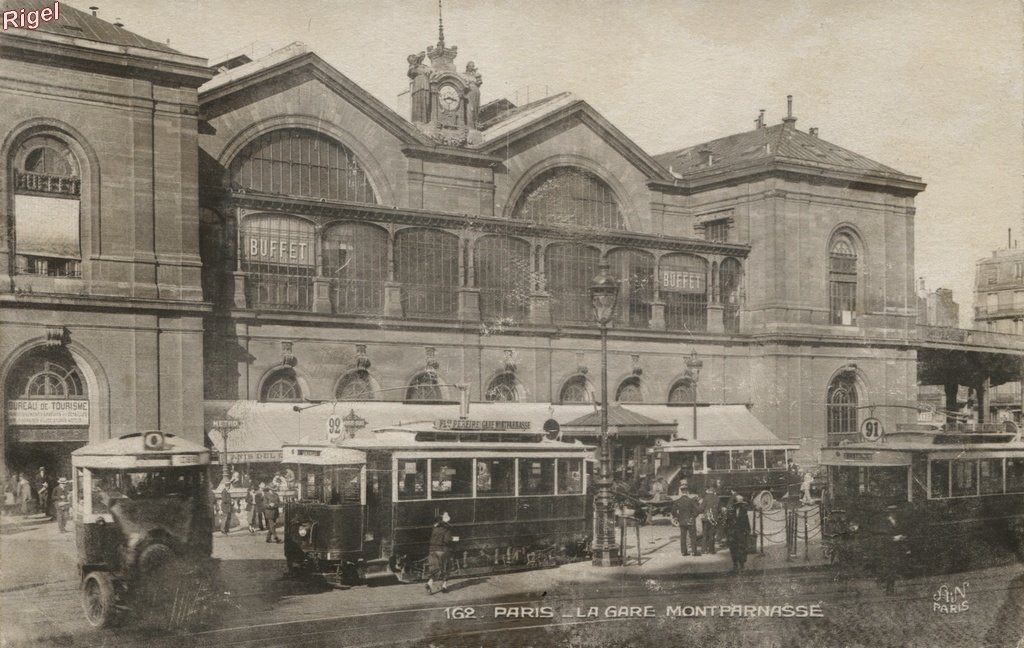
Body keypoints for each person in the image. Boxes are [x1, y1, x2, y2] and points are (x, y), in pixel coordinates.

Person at [426, 511, 455, 594]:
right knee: (446, 567)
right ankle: (444, 586)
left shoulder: (434, 529)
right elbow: (447, 540)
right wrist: (452, 539)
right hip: (443, 551)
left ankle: (430, 583)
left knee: (434, 568)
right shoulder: (447, 530)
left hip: (432, 550)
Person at [673, 480, 700, 557]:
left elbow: (673, 512)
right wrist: (693, 516)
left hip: (682, 521)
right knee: (693, 536)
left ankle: (684, 552)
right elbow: (697, 510)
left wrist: (678, 517)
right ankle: (694, 552)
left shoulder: (677, 501)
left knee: (683, 536)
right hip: (690, 520)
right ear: (687, 491)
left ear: (681, 491)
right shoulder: (691, 501)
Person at [727, 494, 752, 572]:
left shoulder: (743, 511)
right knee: (733, 548)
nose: (740, 505)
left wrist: (748, 530)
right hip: (733, 532)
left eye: (741, 504)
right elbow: (728, 522)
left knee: (742, 548)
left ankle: (742, 564)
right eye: (738, 504)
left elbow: (746, 521)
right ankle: (735, 563)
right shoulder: (731, 511)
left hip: (741, 532)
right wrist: (728, 532)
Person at [700, 483, 719, 554]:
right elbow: (719, 509)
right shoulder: (717, 498)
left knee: (705, 534)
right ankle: (712, 550)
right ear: (714, 490)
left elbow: (701, 508)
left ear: (708, 490)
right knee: (712, 534)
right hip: (713, 519)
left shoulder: (705, 497)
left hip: (706, 518)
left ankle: (704, 550)